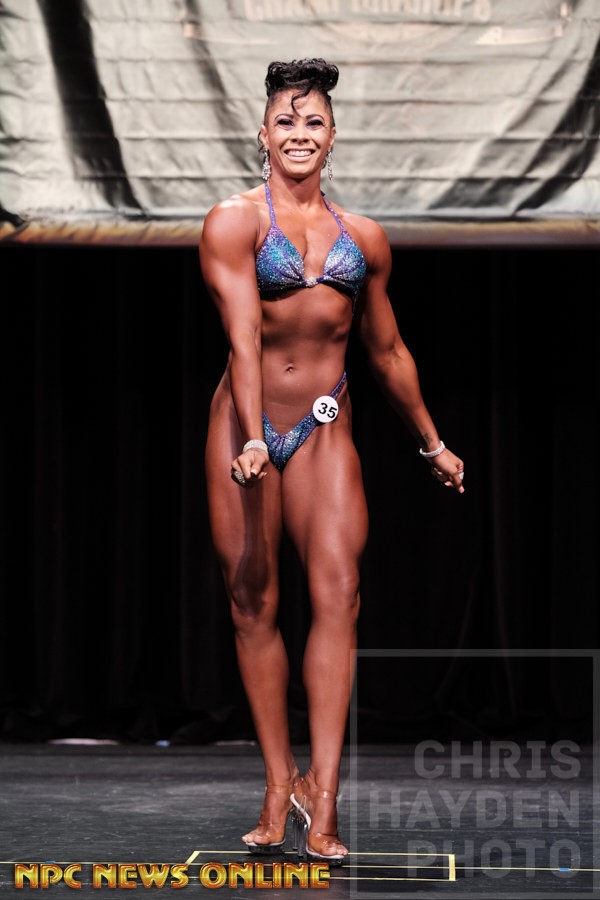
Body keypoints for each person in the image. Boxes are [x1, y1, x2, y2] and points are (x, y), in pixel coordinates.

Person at [198, 58, 464, 865]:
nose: (300, 133)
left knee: (340, 594)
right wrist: (252, 435)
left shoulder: (363, 238)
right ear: (263, 134)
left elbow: (386, 350)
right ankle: (277, 783)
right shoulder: (234, 223)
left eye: (313, 122)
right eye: (286, 120)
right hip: (244, 424)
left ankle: (325, 793)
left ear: (333, 136)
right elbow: (243, 336)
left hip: (323, 426)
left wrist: (432, 441)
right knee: (253, 601)